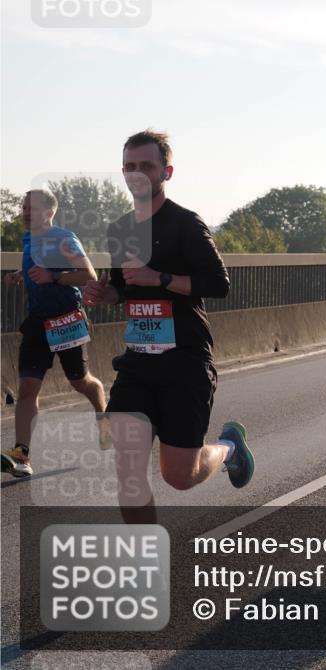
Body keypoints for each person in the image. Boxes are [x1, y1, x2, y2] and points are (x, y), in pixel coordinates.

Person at [82, 129, 254, 521]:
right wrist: (104, 293)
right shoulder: (120, 229)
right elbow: (126, 289)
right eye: (130, 166)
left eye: (147, 166)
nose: (137, 173)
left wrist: (159, 278)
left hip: (185, 361)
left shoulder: (185, 225)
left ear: (166, 172)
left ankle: (229, 447)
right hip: (138, 363)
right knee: (129, 475)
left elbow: (218, 284)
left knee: (179, 475)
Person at [1, 190, 108, 478]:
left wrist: (54, 277)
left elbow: (88, 275)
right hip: (37, 321)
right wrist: (19, 278)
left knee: (80, 381)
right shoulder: (28, 240)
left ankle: (103, 413)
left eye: (31, 207)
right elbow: (39, 271)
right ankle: (21, 454)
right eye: (23, 207)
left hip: (66, 319)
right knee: (27, 389)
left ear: (49, 212)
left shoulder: (63, 237)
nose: (24, 212)